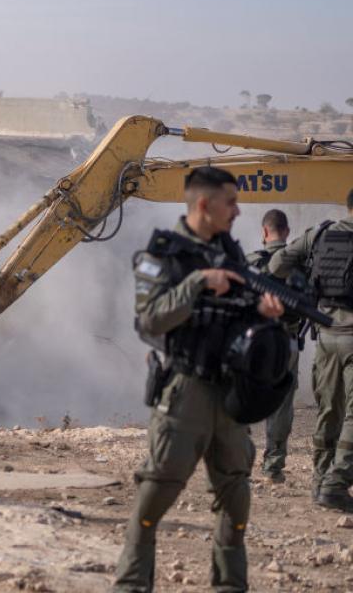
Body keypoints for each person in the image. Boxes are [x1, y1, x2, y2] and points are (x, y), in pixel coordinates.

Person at [114, 167, 284, 592]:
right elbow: (149, 320)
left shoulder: (232, 253)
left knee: (236, 496)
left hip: (228, 394)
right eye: (231, 202)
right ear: (205, 205)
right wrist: (196, 283)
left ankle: (230, 584)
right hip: (185, 390)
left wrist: (262, 314)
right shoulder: (163, 254)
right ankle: (132, 583)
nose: (238, 211)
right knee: (155, 495)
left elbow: (238, 315)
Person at [270, 187, 353, 512]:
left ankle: (320, 482)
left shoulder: (320, 234)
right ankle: (336, 482)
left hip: (325, 335)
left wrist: (306, 280)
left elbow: (277, 264)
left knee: (328, 410)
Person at [246, 209, 299, 483]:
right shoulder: (298, 263)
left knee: (243, 394)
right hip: (286, 342)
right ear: (287, 231)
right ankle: (273, 466)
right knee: (282, 403)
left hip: (253, 341)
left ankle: (238, 460)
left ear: (264, 232)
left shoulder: (250, 262)